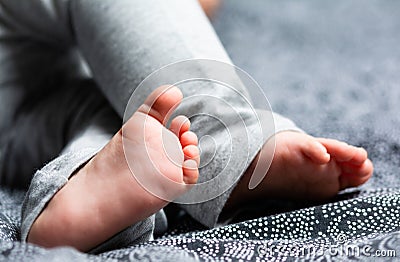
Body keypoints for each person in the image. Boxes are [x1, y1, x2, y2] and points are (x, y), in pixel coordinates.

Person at [0, 0, 373, 253]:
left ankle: (75, 192)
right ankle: (229, 137)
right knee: (145, 101)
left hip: (22, 110)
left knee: (141, 124)